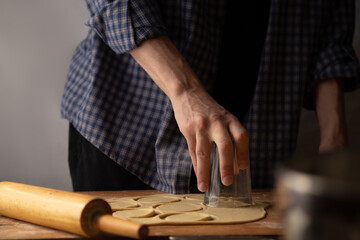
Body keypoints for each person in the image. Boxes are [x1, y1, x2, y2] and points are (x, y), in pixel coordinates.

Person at [61, 0, 360, 193]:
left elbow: (330, 30)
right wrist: (185, 91)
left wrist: (333, 141)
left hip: (255, 150)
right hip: (126, 132)